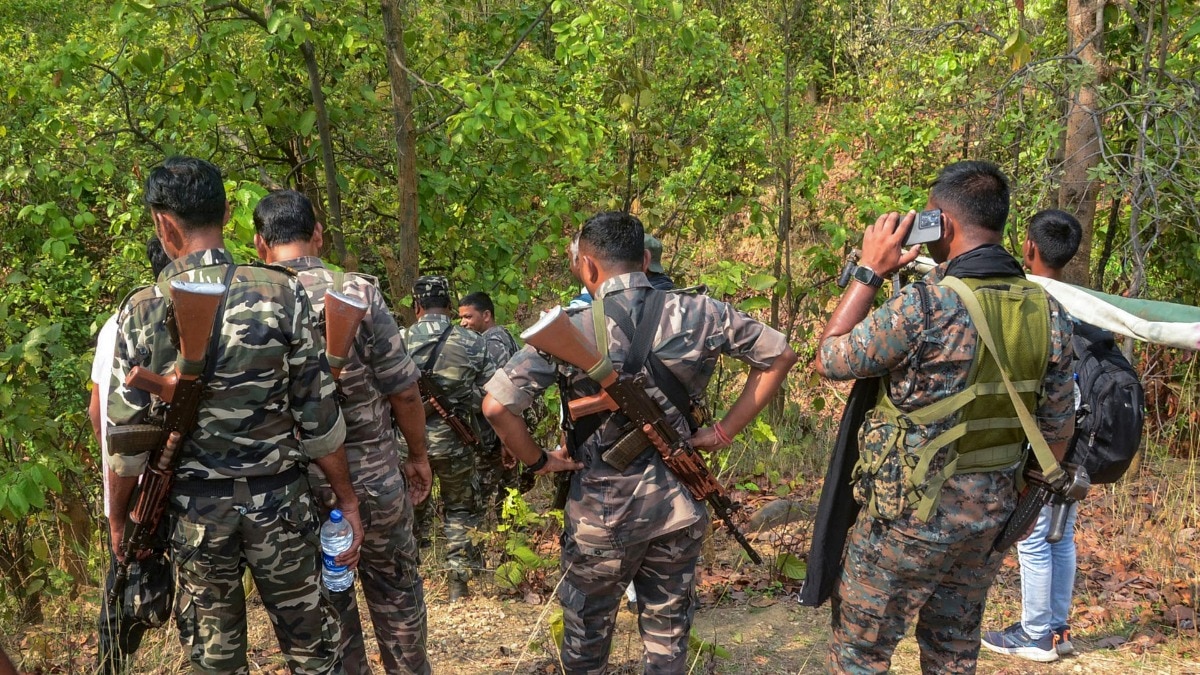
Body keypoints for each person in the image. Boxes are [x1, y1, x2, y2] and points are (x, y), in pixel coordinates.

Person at [482, 211, 797, 674]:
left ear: (587, 267)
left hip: (599, 518)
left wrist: (538, 461)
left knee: (586, 645)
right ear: (646, 259)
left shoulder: (573, 325)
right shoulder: (701, 312)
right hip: (678, 508)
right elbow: (780, 355)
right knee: (667, 642)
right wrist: (724, 429)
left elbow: (495, 407)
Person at [813, 161, 1075, 673]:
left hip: (908, 517)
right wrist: (1024, 499)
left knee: (861, 654)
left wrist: (869, 271)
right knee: (953, 653)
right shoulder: (1047, 311)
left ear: (944, 224)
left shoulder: (926, 305)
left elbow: (831, 358)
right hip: (990, 515)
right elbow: (1058, 426)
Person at [106, 156, 363, 674]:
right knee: (314, 656)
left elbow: (126, 443)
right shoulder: (280, 290)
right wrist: (346, 498)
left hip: (196, 515)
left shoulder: (139, 310)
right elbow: (318, 416)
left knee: (215, 662)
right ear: (227, 211)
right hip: (282, 504)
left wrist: (120, 520)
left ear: (163, 223)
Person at [253, 189, 433, 674]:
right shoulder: (358, 291)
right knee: (398, 602)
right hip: (375, 476)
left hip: (299, 489)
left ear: (259, 244)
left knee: (331, 620)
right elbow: (404, 391)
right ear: (318, 235)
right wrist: (418, 455)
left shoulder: (253, 302)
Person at [981, 209, 1085, 662]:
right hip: (1082, 434)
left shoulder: (1027, 300)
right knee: (1062, 533)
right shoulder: (1086, 303)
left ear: (1029, 247)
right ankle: (1057, 629)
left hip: (1046, 435)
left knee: (1035, 536)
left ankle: (1036, 635)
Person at [92, 237, 171, 675]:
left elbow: (98, 409)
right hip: (159, 480)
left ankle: (112, 663)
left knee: (124, 586)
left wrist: (114, 484)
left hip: (132, 479)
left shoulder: (122, 320)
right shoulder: (139, 315)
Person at [404, 275, 495, 601]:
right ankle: (458, 585)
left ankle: (408, 583)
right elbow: (492, 396)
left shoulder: (400, 340)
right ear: (449, 304)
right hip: (457, 442)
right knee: (459, 511)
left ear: (417, 306)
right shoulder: (473, 342)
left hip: (411, 446)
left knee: (409, 512)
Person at [457, 291, 526, 511]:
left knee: (485, 490)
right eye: (461, 317)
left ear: (486, 315)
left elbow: (501, 392)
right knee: (509, 487)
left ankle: (494, 535)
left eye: (469, 317)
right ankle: (511, 531)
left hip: (497, 431)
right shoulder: (498, 336)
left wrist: (506, 439)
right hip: (504, 429)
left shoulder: (492, 343)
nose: (463, 323)